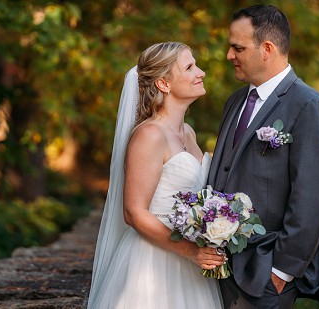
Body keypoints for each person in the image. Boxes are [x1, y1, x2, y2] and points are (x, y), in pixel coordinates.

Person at [207, 5, 319, 308]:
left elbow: (313, 198)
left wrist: (280, 271)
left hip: (265, 274)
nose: (229, 55)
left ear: (267, 49)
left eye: (237, 47)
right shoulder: (236, 101)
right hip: (219, 269)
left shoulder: (308, 106)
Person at [87, 42, 225, 308]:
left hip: (191, 264)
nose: (201, 72)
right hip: (153, 264)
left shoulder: (189, 132)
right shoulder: (149, 135)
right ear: (164, 84)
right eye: (189, 67)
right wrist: (191, 251)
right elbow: (134, 213)